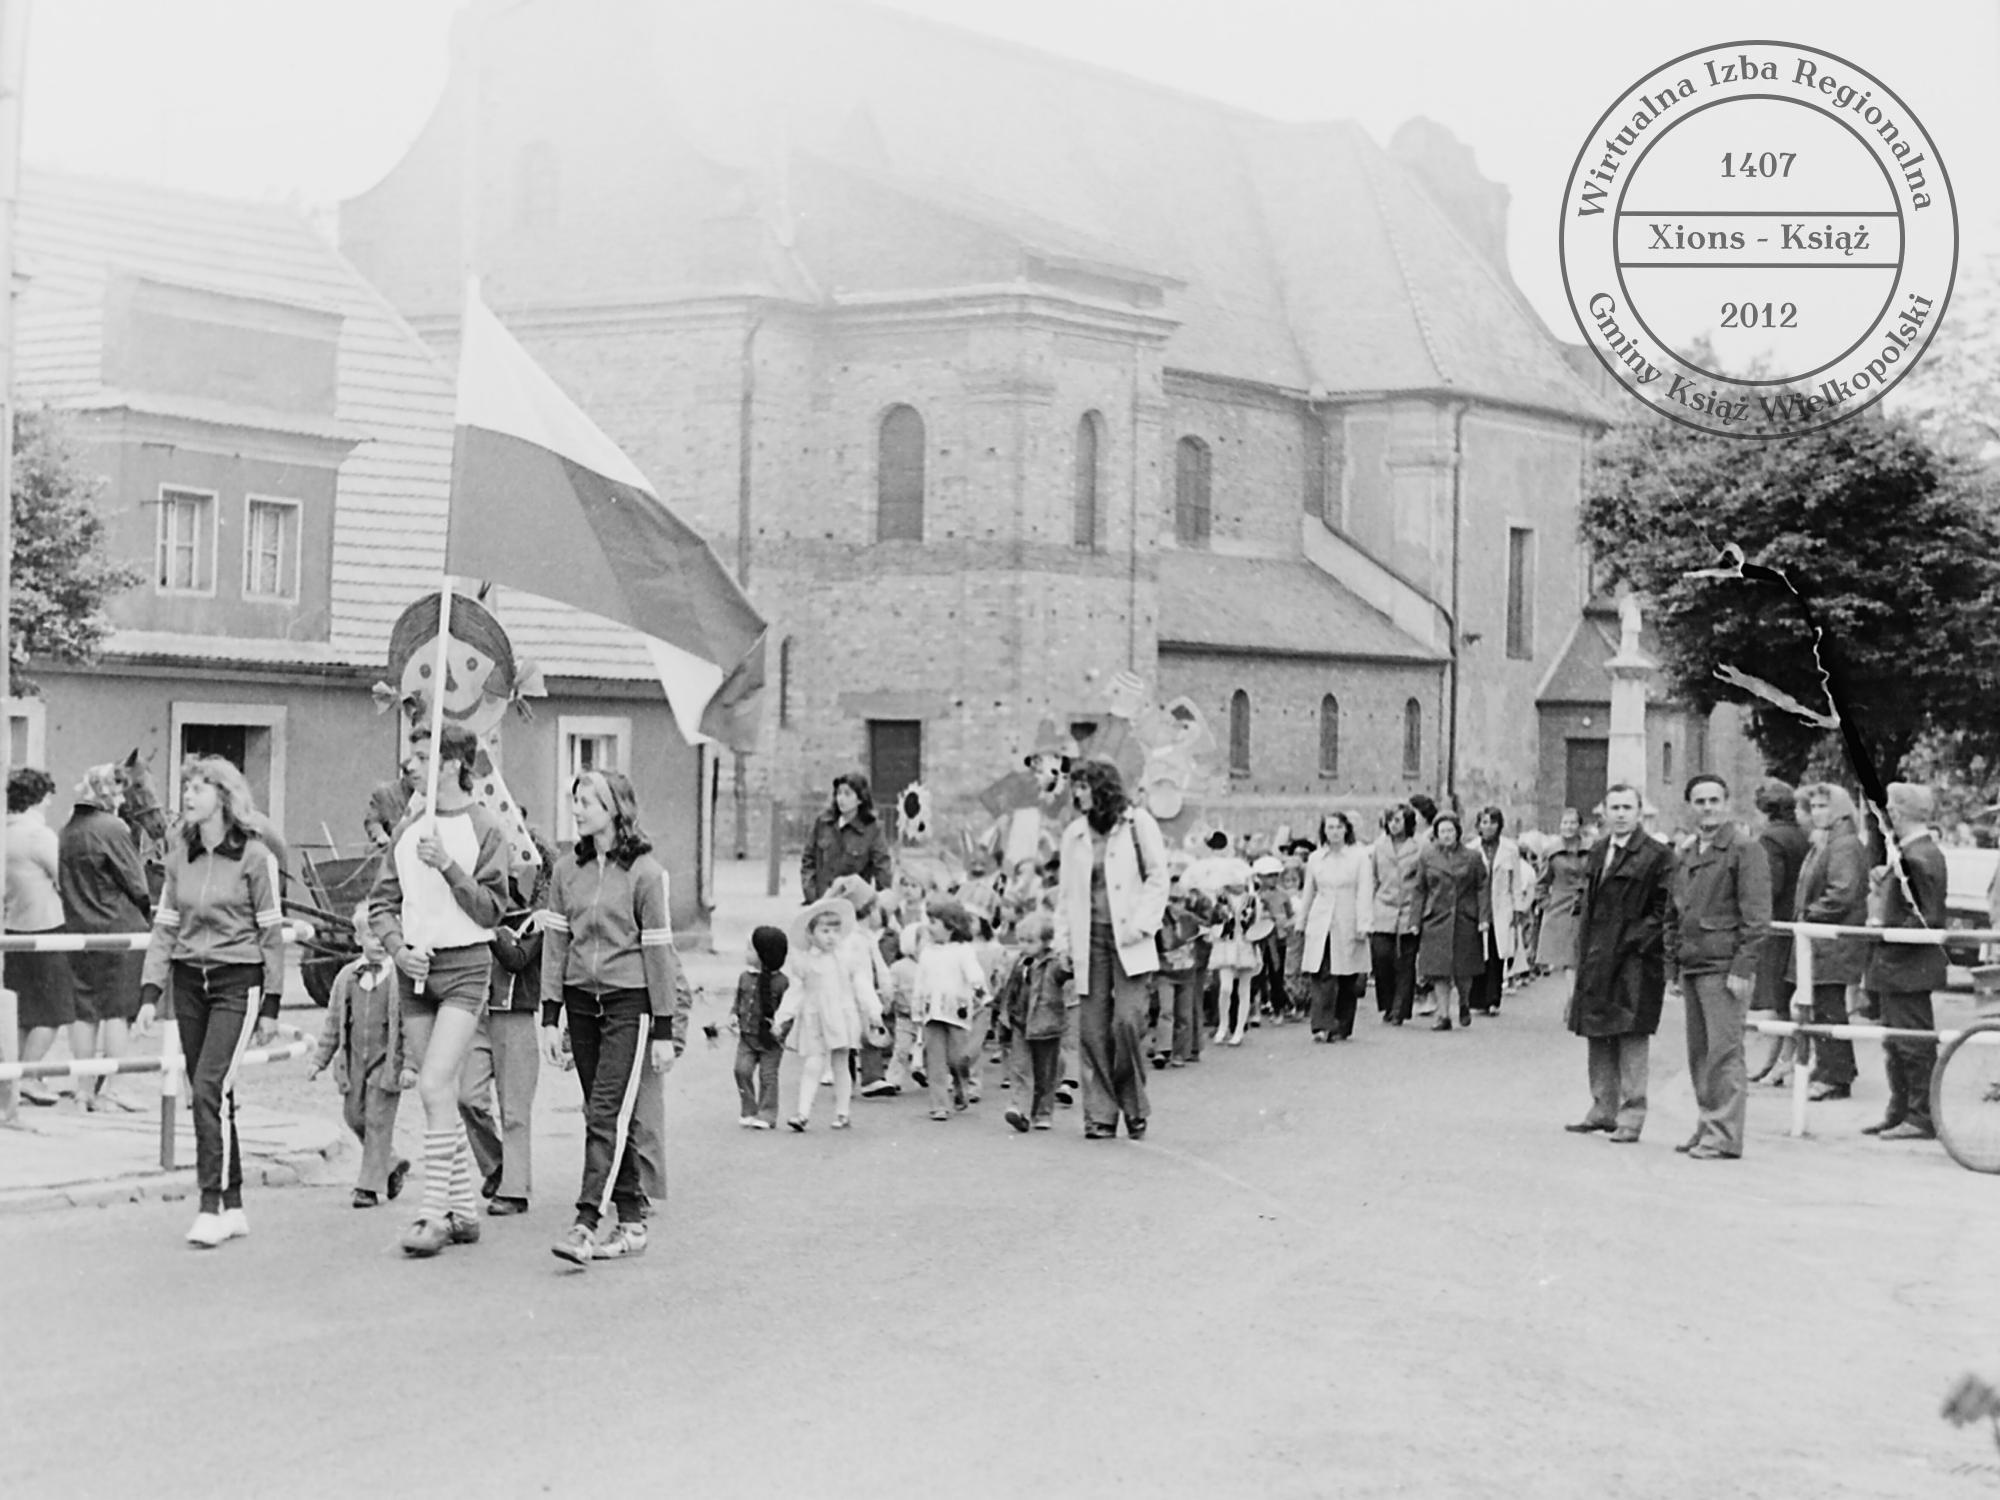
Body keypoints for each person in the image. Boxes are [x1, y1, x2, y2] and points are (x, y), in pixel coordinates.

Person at [370, 722, 513, 1258]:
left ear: (452, 764)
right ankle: (465, 1213)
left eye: (420, 754)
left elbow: (492, 911)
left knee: (433, 1084)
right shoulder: (408, 828)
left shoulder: (483, 827)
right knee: (439, 1094)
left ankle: (432, 1215)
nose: (408, 764)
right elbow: (382, 901)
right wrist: (396, 947)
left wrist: (449, 866)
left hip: (465, 968)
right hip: (415, 970)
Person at [138, 757, 286, 1247]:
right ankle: (236, 1201)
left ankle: (210, 1205)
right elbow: (165, 926)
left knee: (207, 1088)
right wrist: (149, 994)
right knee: (214, 1094)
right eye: (186, 787)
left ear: (224, 796)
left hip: (236, 981)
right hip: (188, 982)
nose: (189, 795)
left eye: (200, 787)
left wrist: (271, 1004)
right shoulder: (179, 855)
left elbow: (271, 934)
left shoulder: (254, 856)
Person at [540, 770, 684, 1266]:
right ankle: (631, 1220)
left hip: (629, 1004)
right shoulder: (565, 871)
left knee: (605, 1113)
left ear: (616, 809)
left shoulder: (646, 873)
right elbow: (557, 944)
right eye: (575, 800)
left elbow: (660, 953)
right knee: (605, 1115)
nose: (577, 809)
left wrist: (663, 1028)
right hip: (581, 1003)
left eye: (588, 801)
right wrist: (549, 1014)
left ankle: (584, 1223)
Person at [1054, 758, 1167, 1140]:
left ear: (1102, 788)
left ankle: (1134, 1106)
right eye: (1075, 787)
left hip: (1130, 939)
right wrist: (1063, 943)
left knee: (1127, 1023)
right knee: (1092, 1029)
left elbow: (1157, 876)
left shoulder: (1137, 824)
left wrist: (1143, 923)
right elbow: (1066, 894)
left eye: (1084, 786)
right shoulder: (1074, 835)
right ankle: (1100, 1115)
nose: (1077, 794)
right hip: (1091, 940)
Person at [1669, 773, 1773, 1161]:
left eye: (1714, 800)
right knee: (1700, 1053)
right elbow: (1676, 913)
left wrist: (1742, 968)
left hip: (1724, 967)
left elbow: (1757, 917)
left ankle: (1724, 1133)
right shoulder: (1687, 853)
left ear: (1727, 804)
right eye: (1700, 801)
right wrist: (1673, 969)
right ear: (1690, 806)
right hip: (1695, 964)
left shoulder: (1745, 850)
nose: (1707, 807)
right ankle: (1707, 1124)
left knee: (1724, 1053)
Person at [1563, 784, 1672, 1143]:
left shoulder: (1657, 855)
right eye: (1615, 807)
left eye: (1628, 807)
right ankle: (1602, 1108)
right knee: (1598, 1032)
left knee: (1631, 1035)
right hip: (1597, 958)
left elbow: (1664, 910)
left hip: (1634, 962)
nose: (1621, 814)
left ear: (1640, 812)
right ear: (1604, 812)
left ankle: (1631, 1116)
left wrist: (1632, 941)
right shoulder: (1597, 851)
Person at [460, 826, 552, 1217]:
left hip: (515, 1015)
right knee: (467, 1097)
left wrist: (489, 926)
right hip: (478, 1014)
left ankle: (514, 1189)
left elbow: (516, 958)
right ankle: (498, 1165)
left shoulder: (540, 918)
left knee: (514, 1109)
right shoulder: (483, 911)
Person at [57, 763, 154, 1111]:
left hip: (77, 929)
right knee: (118, 1010)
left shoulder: (66, 831)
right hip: (118, 930)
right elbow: (138, 885)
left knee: (84, 1011)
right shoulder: (113, 828)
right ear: (110, 792)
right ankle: (114, 1087)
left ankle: (83, 1089)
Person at [1860, 782, 1948, 1141]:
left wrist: (1884, 929)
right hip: (1902, 966)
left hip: (1905, 966)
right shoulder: (1918, 853)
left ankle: (1919, 1113)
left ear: (1897, 813)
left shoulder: (1917, 858)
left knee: (1911, 1043)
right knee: (1896, 1041)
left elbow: (1928, 917)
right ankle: (1902, 1109)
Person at [308, 905, 412, 1208]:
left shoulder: (401, 979)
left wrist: (411, 1065)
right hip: (354, 1063)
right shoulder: (346, 978)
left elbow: (410, 1029)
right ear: (357, 938)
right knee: (354, 1116)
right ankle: (391, 1163)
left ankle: (367, 1187)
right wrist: (319, 1059)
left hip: (386, 1062)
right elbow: (333, 1023)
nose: (379, 942)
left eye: (386, 936)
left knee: (378, 1119)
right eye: (372, 935)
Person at [772, 895, 882, 1131]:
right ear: (811, 934)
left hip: (841, 1016)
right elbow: (796, 991)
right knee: (813, 1064)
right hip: (815, 1017)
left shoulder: (846, 959)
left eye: (835, 931)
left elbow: (861, 984)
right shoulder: (806, 963)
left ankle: (843, 1112)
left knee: (841, 1063)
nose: (831, 936)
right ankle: (802, 1113)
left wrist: (873, 1010)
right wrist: (783, 1017)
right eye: (825, 931)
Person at [1790, 784, 1867, 1103]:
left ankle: (1835, 1075)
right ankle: (1829, 1069)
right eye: (1815, 806)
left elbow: (1842, 892)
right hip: (1823, 939)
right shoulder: (1827, 841)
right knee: (1822, 1005)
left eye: (1824, 805)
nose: (1818, 811)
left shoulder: (1844, 844)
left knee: (1829, 1006)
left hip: (1832, 940)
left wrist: (1809, 915)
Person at [7, 769, 76, 1106]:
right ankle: (30, 1075)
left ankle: (14, 1079)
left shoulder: (5, 833)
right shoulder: (39, 835)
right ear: (39, 797)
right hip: (46, 928)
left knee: (22, 1012)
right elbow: (63, 877)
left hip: (14, 929)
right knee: (53, 1011)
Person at [1746, 777, 1811, 1085]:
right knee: (1787, 998)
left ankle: (1781, 1062)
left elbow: (1769, 885)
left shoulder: (1770, 840)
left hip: (1778, 929)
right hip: (1795, 925)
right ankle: (1779, 1061)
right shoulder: (1801, 835)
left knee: (1779, 999)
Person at [1299, 811, 1374, 1042]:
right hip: (1322, 919)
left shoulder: (1359, 857)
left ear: (1346, 830)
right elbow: (1308, 892)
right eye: (1329, 828)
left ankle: (1342, 1023)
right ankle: (1321, 1024)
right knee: (1323, 973)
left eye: (1338, 827)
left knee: (1347, 974)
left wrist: (1364, 923)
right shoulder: (1316, 858)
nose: (1334, 832)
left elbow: (1364, 890)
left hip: (1348, 916)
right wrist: (1302, 920)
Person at [909, 898, 986, 1120]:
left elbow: (974, 975)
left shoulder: (963, 950)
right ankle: (939, 1104)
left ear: (951, 925)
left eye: (934, 922)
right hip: (931, 1011)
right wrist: (917, 1010)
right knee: (935, 1059)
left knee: (957, 1058)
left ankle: (962, 1085)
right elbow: (920, 982)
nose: (929, 927)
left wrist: (982, 994)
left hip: (956, 1012)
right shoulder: (926, 952)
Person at [1413, 812, 1487, 1032]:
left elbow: (1482, 887)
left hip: (1464, 918)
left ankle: (1464, 1001)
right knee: (1439, 969)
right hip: (1437, 918)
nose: (1447, 835)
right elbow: (1419, 889)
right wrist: (1415, 920)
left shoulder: (1472, 857)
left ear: (1458, 832)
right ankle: (1443, 1014)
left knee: (1464, 969)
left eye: (1450, 830)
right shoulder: (1427, 857)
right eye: (1442, 831)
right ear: (1436, 834)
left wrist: (1483, 917)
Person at [994, 911, 1066, 1131]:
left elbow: (1066, 974)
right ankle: (1018, 1108)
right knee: (1020, 1068)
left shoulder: (1053, 964)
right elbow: (1011, 990)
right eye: (1022, 941)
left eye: (1030, 941)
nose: (1024, 946)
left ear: (1045, 942)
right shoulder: (1020, 963)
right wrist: (1004, 1013)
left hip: (1046, 1025)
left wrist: (1067, 958)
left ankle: (1043, 1112)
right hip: (1020, 1022)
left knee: (1045, 1071)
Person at [1468, 808, 1530, 1016]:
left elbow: (1516, 881)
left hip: (1502, 905)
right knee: (1478, 952)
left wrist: (1518, 908)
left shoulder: (1510, 849)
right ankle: (1477, 999)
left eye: (1493, 822)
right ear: (1478, 825)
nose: (1488, 827)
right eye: (1484, 822)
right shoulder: (1472, 849)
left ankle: (1493, 998)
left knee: (1496, 954)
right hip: (1478, 906)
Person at [798, 771, 893, 903]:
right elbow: (808, 859)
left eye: (847, 794)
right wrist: (811, 894)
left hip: (854, 906)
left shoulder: (872, 829)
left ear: (860, 799)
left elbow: (882, 868)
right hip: (820, 902)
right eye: (839, 793)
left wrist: (881, 904)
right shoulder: (823, 823)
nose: (841, 799)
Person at [1368, 804, 1422, 1024]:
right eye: (1390, 820)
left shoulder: (1418, 847)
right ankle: (1387, 1004)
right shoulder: (1378, 847)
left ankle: (1400, 1009)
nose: (1394, 824)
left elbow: (1421, 880)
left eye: (1398, 820)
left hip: (1408, 909)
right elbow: (1372, 878)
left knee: (1405, 962)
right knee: (1382, 958)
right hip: (1383, 907)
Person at [733, 925, 789, 1128]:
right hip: (747, 1036)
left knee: (768, 1076)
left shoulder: (782, 982)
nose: (746, 953)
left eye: (751, 949)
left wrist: (781, 1029)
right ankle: (748, 1109)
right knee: (741, 1070)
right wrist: (733, 1017)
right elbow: (738, 1001)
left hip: (770, 1041)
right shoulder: (744, 977)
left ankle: (767, 1114)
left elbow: (788, 1011)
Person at [1534, 809, 1590, 973]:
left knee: (1585, 958)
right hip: (1560, 907)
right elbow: (1542, 882)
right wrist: (1546, 903)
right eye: (1565, 823)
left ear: (1579, 826)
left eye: (1572, 823)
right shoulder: (1552, 852)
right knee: (1568, 960)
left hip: (1586, 905)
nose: (1568, 827)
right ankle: (1573, 997)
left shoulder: (1592, 850)